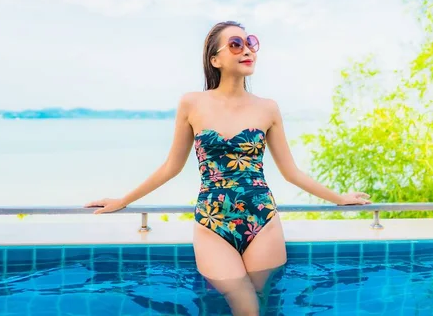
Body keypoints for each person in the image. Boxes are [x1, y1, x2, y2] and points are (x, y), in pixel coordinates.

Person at [85, 21, 372, 315]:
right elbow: (171, 166)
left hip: (262, 219)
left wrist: (340, 198)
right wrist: (122, 201)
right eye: (236, 44)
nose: (247, 50)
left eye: (250, 43)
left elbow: (291, 172)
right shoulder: (192, 103)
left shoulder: (268, 108)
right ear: (215, 60)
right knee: (246, 304)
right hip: (213, 222)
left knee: (263, 304)